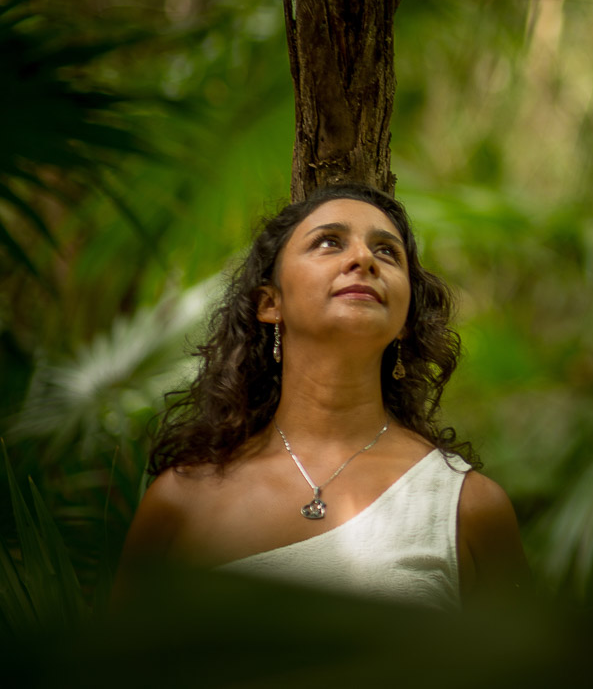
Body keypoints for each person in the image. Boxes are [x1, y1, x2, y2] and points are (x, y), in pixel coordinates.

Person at [115, 183, 529, 608]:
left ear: (406, 319)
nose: (364, 259)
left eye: (387, 252)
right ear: (269, 304)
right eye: (329, 242)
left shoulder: (468, 507)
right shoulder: (181, 501)